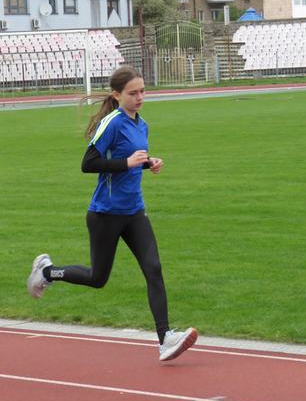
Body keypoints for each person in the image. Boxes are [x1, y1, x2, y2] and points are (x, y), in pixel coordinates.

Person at [26, 66, 197, 362]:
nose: (140, 97)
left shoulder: (142, 124)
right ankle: (46, 272)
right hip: (105, 213)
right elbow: (88, 163)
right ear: (117, 95)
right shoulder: (112, 123)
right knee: (97, 278)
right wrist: (127, 163)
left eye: (142, 91)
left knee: (154, 269)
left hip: (134, 211)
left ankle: (165, 338)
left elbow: (132, 157)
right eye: (133, 93)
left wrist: (148, 163)